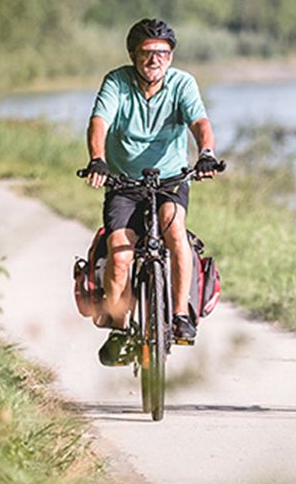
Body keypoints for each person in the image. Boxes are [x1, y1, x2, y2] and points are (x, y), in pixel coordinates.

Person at [78, 18, 219, 366]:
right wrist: (97, 159)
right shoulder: (117, 82)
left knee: (175, 236)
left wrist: (206, 154)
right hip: (124, 183)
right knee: (121, 254)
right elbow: (99, 122)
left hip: (170, 181)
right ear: (133, 55)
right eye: (147, 53)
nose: (155, 60)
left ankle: (181, 314)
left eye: (163, 53)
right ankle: (120, 328)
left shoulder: (182, 83)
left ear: (170, 57)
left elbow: (199, 123)